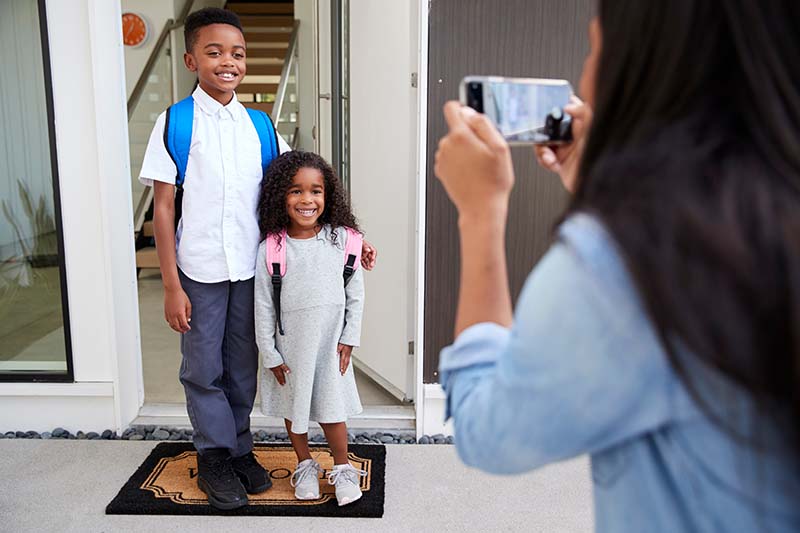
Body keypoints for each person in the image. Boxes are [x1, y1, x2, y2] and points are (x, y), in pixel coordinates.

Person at [434, 1, 800, 532]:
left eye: (594, 47)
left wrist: (480, 213)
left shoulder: (625, 262)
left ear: (639, 65)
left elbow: (488, 431)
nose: (584, 74)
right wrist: (600, 192)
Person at [139, 8, 376, 510]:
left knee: (245, 366)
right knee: (203, 368)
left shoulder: (260, 126)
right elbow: (163, 208)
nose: (228, 61)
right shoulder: (175, 123)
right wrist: (170, 284)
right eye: (214, 51)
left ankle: (240, 448)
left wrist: (352, 236)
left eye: (237, 53)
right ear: (190, 59)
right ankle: (214, 458)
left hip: (252, 271)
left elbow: (302, 184)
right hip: (199, 270)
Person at [254, 151, 367, 507]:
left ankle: (343, 466)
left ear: (327, 195)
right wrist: (269, 352)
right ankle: (304, 463)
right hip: (291, 347)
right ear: (279, 197)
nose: (307, 200)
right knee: (296, 408)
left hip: (330, 343)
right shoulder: (271, 249)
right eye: (295, 191)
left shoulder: (342, 241)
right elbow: (263, 306)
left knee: (333, 409)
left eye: (315, 191)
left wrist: (350, 336)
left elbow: (356, 294)